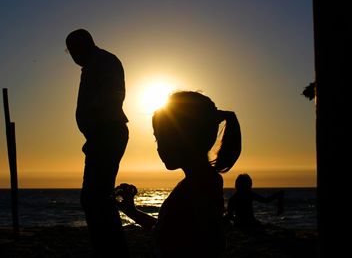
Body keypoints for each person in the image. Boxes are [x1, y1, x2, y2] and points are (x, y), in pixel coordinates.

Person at [115, 91, 242, 257]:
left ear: (185, 138)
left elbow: (210, 243)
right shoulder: (203, 182)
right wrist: (132, 211)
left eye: (161, 137)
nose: (159, 147)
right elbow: (167, 230)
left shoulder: (198, 187)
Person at [65, 28, 130, 257]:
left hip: (107, 133)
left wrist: (97, 125)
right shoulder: (96, 63)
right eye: (69, 51)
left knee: (95, 198)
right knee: (96, 198)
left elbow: (113, 95)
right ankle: (109, 248)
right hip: (101, 134)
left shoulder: (102, 62)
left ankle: (111, 250)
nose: (72, 56)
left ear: (84, 45)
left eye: (73, 50)